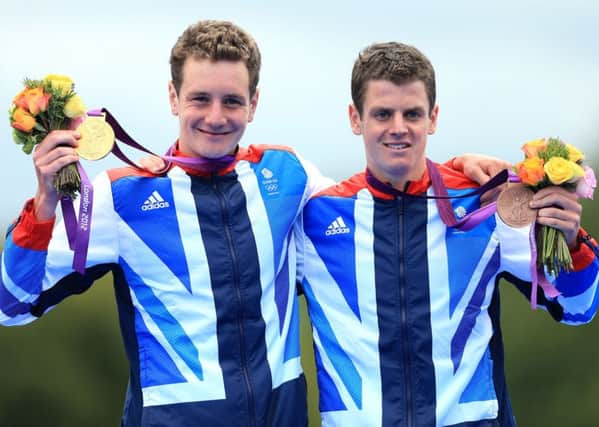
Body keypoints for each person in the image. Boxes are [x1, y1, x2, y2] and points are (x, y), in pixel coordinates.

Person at [1, 20, 507, 426]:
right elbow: (12, 304)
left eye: (232, 101)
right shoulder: (120, 196)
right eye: (200, 99)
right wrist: (46, 203)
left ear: (254, 103)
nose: (216, 116)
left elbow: (380, 193)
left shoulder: (287, 177)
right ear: (174, 98)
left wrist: (458, 166)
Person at [296, 42, 599, 427]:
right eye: (382, 114)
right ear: (355, 118)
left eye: (413, 113)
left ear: (433, 117)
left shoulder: (485, 206)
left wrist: (571, 242)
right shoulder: (317, 220)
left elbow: (578, 309)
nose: (399, 128)